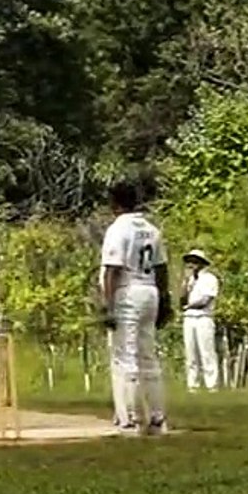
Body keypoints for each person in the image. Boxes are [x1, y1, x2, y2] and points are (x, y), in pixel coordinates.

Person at [100, 177, 172, 435]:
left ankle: (128, 417)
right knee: (148, 355)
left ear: (115, 203)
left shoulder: (118, 229)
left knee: (125, 355)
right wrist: (165, 300)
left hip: (127, 291)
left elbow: (112, 270)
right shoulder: (151, 229)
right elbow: (162, 268)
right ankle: (157, 416)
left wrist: (108, 306)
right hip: (150, 289)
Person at [181, 249, 220, 393]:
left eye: (194, 261)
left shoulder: (210, 279)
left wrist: (189, 305)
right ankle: (193, 385)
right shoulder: (190, 280)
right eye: (189, 261)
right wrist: (185, 284)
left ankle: (212, 384)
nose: (191, 264)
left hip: (204, 317)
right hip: (189, 318)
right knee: (190, 353)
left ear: (201, 264)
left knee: (206, 351)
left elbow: (205, 300)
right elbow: (182, 300)